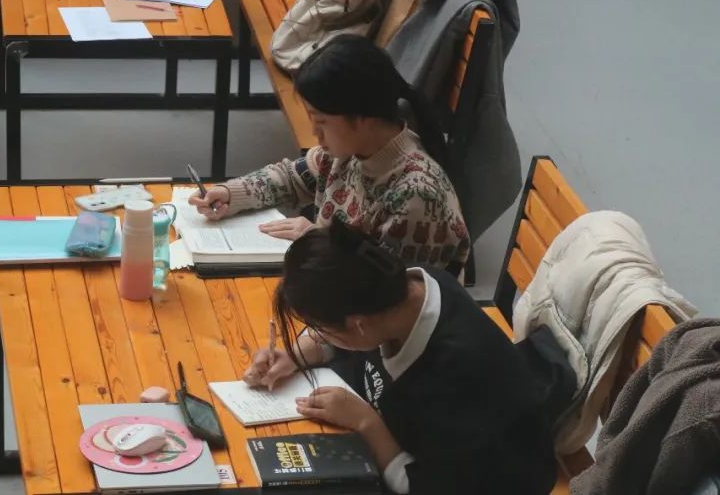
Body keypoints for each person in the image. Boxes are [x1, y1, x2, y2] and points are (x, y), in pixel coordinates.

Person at [244, 221, 557, 494]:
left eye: (320, 327)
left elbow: (421, 485)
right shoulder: (397, 290)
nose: (318, 334)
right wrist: (294, 355)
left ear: (358, 325)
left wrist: (365, 422)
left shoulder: (452, 377)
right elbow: (350, 331)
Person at [189, 34, 470, 273]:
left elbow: (384, 294)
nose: (314, 132)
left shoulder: (416, 196)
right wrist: (231, 194)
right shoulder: (351, 151)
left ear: (362, 117)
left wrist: (317, 240)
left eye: (321, 121)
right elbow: (291, 178)